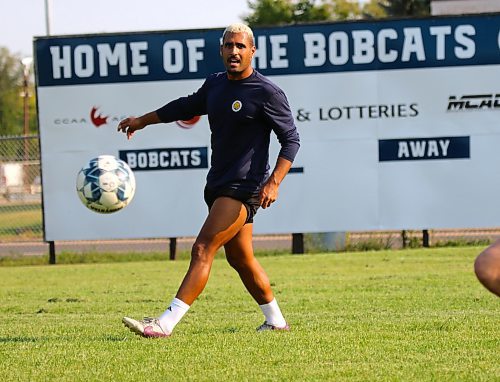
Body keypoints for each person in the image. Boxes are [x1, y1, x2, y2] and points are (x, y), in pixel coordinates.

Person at [118, 23, 300, 337]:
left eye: (241, 46)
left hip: (244, 188)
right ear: (221, 50)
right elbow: (184, 107)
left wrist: (274, 183)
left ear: (252, 51)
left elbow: (291, 139)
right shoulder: (215, 85)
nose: (234, 52)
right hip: (218, 184)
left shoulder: (266, 92)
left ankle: (164, 324)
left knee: (202, 249)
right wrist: (141, 121)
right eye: (229, 46)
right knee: (241, 258)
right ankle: (276, 321)